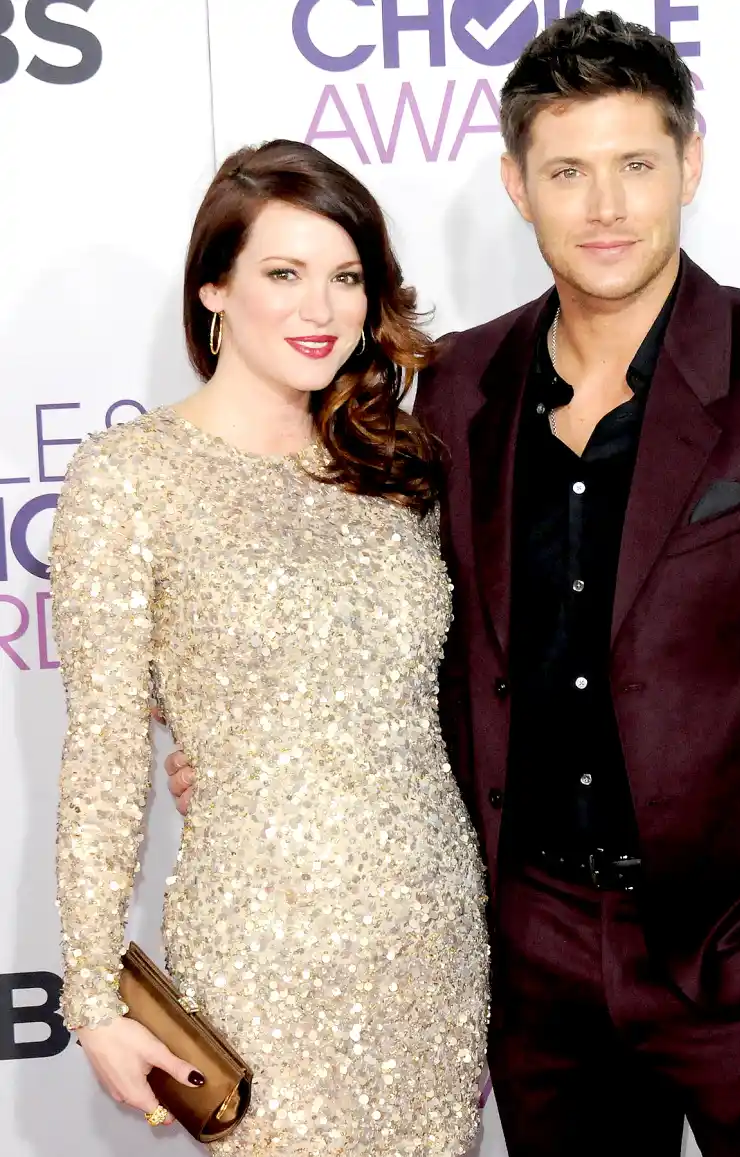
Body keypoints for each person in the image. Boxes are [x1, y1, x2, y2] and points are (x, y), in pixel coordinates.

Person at [168, 12, 740, 1157]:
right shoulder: (459, 387)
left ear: (690, 162)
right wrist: (259, 746)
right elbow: (411, 640)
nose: (607, 206)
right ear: (515, 184)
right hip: (534, 958)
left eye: (637, 164)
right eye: (568, 170)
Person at [50, 139, 489, 1156]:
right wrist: (90, 991)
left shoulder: (393, 469)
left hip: (431, 942)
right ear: (214, 287)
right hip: (262, 950)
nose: (320, 309)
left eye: (345, 277)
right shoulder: (129, 479)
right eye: (282, 274)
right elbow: (105, 751)